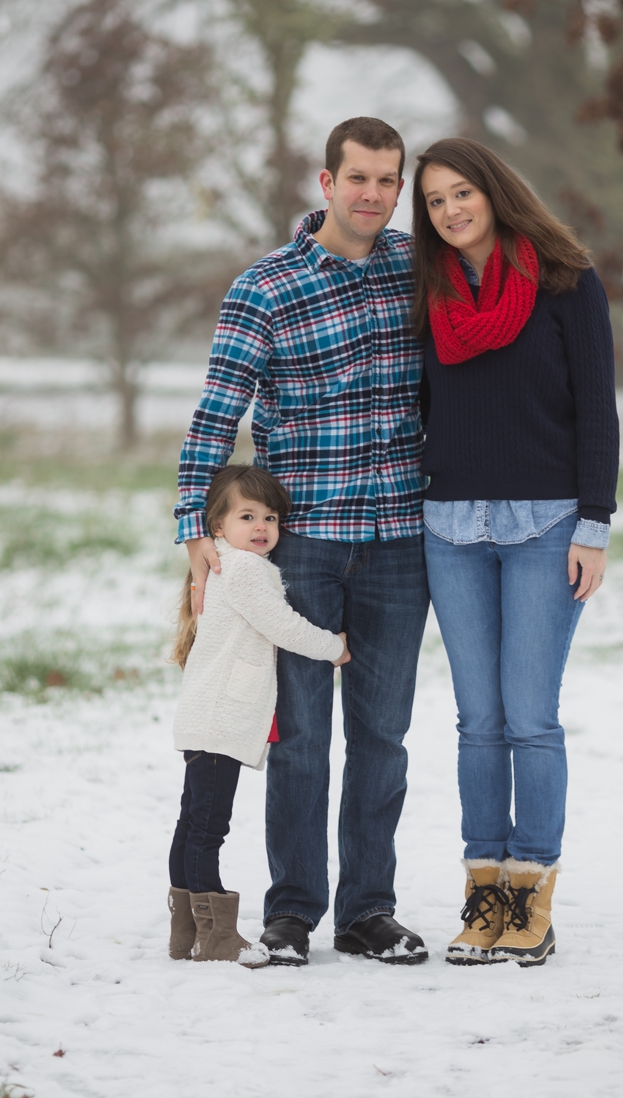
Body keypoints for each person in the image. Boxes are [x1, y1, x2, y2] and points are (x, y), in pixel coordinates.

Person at [175, 118, 430, 967]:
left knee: (384, 738)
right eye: (358, 178)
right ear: (326, 183)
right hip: (305, 549)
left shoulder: (415, 272)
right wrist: (193, 529)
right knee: (301, 739)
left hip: (399, 539)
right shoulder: (266, 287)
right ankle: (293, 913)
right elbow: (218, 413)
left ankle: (368, 910)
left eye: (388, 181)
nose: (373, 195)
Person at [412, 137, 619, 967]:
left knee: (530, 718)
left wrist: (594, 526)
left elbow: (598, 412)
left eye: (462, 192)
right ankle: (482, 895)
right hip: (451, 530)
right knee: (478, 721)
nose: (451, 210)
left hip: (545, 527)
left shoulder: (568, 282)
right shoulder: (425, 292)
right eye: (433, 201)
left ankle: (531, 896)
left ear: (494, 191)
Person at [167, 464, 350, 967]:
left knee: (192, 825)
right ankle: (218, 937)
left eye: (270, 517)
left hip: (207, 717)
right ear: (217, 526)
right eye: (247, 516)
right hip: (221, 718)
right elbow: (282, 625)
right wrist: (332, 647)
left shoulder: (228, 564)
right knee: (207, 829)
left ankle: (187, 934)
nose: (262, 527)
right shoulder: (244, 569)